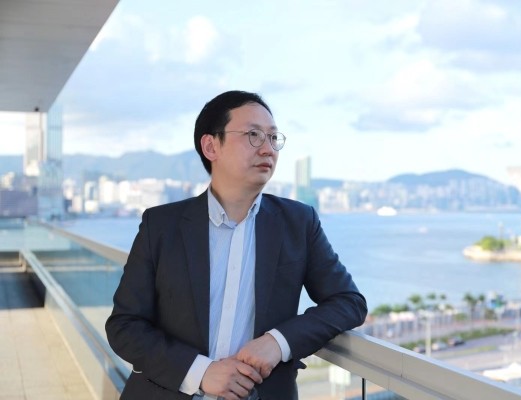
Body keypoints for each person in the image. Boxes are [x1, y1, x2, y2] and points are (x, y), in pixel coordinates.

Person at [105, 90, 367, 400]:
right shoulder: (161, 225)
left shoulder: (298, 222)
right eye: (253, 135)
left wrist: (278, 342)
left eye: (273, 138)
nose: (268, 149)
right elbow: (125, 326)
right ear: (211, 146)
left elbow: (348, 302)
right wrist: (200, 372)